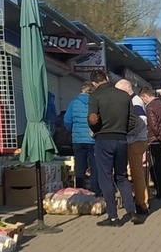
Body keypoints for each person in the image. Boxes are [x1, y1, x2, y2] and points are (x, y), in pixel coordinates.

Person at [87, 73, 142, 226]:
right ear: (107, 78)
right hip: (122, 139)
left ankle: (113, 217)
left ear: (94, 83)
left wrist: (96, 127)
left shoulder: (96, 95)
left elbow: (92, 119)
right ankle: (132, 212)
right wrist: (123, 129)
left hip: (103, 139)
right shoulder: (124, 96)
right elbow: (133, 120)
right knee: (122, 176)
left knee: (106, 178)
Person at [118, 79, 150, 216]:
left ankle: (142, 203)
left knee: (137, 173)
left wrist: (130, 133)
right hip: (137, 140)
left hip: (135, 141)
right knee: (137, 173)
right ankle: (140, 200)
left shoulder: (135, 101)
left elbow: (142, 120)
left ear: (127, 89)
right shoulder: (134, 100)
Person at [63, 82, 97, 194]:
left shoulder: (74, 102)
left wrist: (72, 130)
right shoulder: (95, 102)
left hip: (78, 139)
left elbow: (67, 120)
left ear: (82, 90)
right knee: (94, 167)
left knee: (80, 168)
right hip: (93, 139)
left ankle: (80, 191)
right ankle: (96, 191)